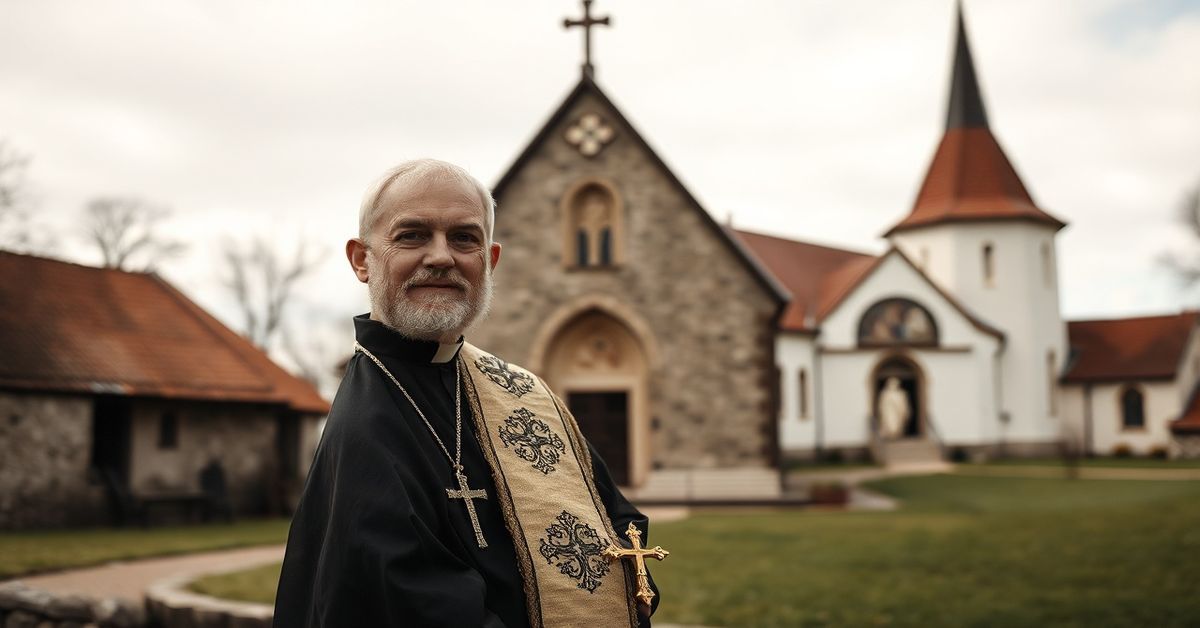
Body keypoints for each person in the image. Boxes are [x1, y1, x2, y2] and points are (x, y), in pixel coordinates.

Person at [273, 159, 658, 628]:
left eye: (464, 238)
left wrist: (629, 590)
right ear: (362, 260)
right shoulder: (365, 430)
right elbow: (408, 602)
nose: (441, 257)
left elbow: (611, 514)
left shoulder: (525, 392)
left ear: (490, 261)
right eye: (412, 235)